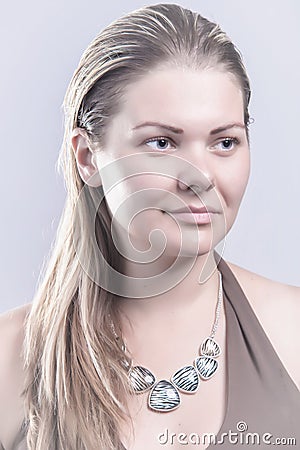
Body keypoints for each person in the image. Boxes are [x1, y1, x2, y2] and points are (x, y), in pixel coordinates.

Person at [0, 3, 299, 449]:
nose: (200, 177)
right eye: (161, 143)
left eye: (225, 142)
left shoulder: (294, 331)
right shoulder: (11, 358)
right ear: (87, 157)